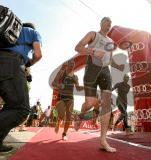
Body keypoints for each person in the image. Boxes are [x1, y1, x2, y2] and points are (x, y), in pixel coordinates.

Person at [74, 17, 124, 152]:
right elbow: (77, 47)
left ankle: (103, 140)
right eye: (106, 22)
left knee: (107, 104)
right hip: (91, 68)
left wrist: (117, 66)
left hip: (105, 71)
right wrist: (93, 51)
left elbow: (110, 59)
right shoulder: (93, 34)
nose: (109, 24)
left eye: (110, 23)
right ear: (101, 23)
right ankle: (80, 115)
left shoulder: (111, 42)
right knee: (90, 103)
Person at [0, 22, 42, 153]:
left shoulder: (8, 31)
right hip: (11, 63)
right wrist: (29, 63)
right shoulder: (33, 32)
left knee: (10, 105)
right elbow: (38, 54)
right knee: (20, 108)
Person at [52, 60, 82, 140]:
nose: (72, 65)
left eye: (73, 64)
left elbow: (78, 89)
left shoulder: (75, 77)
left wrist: (86, 87)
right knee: (61, 116)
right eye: (70, 64)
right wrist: (59, 85)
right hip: (61, 97)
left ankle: (64, 134)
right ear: (67, 65)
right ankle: (58, 121)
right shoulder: (62, 73)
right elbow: (53, 83)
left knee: (68, 117)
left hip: (70, 98)